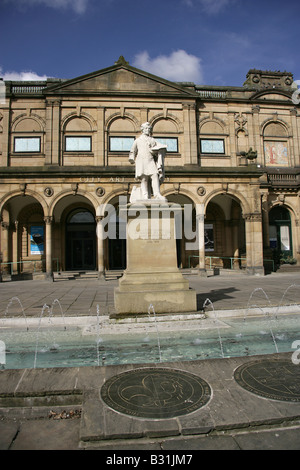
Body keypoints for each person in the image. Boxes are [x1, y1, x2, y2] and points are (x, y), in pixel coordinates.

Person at [129, 122, 167, 201]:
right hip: (141, 160)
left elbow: (160, 146)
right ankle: (145, 195)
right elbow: (133, 151)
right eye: (146, 128)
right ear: (142, 130)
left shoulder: (152, 140)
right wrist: (131, 158)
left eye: (149, 129)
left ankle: (157, 194)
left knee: (155, 175)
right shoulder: (138, 140)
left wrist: (162, 149)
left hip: (150, 160)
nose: (148, 130)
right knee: (144, 178)